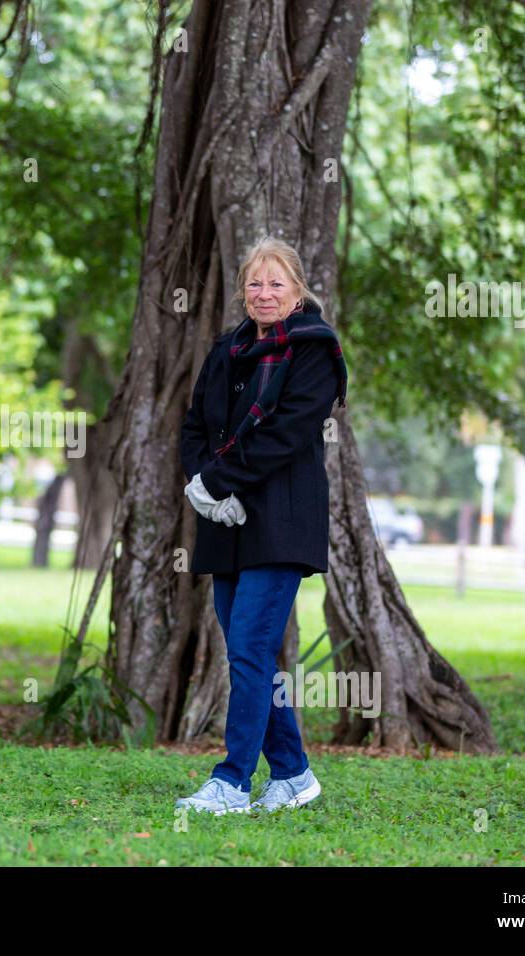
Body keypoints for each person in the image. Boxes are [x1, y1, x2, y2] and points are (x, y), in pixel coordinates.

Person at [174, 236, 348, 816]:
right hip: (226, 524)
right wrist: (203, 486)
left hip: (280, 519)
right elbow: (196, 424)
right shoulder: (228, 349)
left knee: (249, 645)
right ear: (242, 289)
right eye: (254, 282)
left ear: (298, 290)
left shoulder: (314, 351)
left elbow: (287, 433)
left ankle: (231, 782)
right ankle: (295, 775)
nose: (264, 292)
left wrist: (221, 481)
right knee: (249, 654)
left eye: (276, 283)